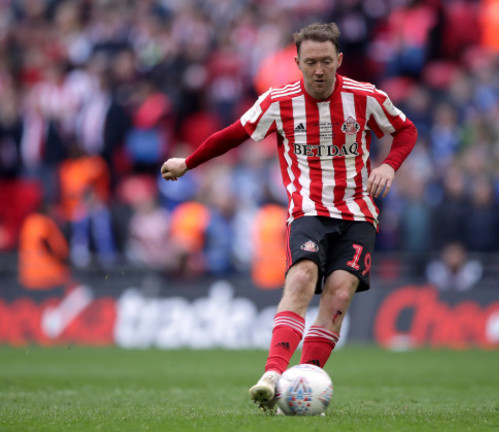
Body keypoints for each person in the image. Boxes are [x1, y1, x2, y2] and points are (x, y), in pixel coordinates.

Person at [160, 22, 417, 412]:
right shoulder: (278, 101)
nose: (318, 70)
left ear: (339, 61)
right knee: (301, 278)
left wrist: (390, 167)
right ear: (296, 62)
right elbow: (232, 134)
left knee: (340, 293)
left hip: (358, 211)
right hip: (308, 209)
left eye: (326, 62)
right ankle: (271, 374)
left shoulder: (366, 97)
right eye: (310, 62)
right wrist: (189, 162)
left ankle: (303, 381)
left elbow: (406, 130)